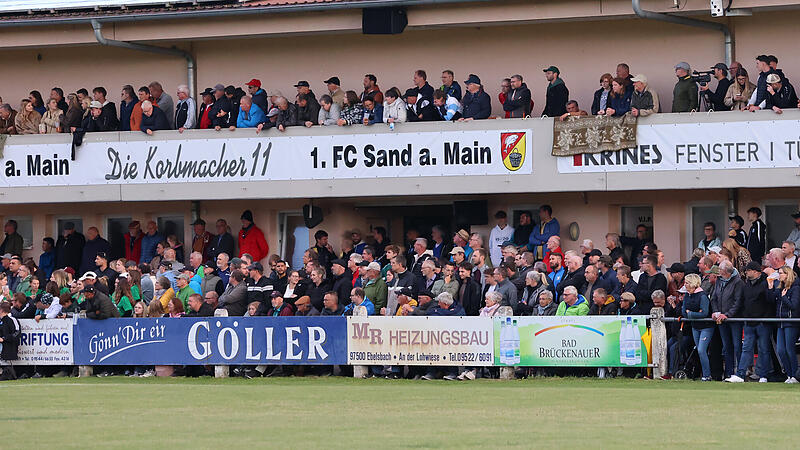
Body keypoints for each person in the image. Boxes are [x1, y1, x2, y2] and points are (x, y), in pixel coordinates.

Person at [725, 261, 771, 383]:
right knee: (746, 349)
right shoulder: (747, 285)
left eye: (748, 270)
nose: (746, 272)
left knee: (763, 349)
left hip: (762, 322)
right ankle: (740, 374)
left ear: (756, 272)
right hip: (749, 322)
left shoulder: (766, 284)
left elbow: (769, 301)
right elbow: (743, 302)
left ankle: (763, 375)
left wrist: (764, 318)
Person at [712, 261, 744, 379]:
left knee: (737, 345)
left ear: (726, 271)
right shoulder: (719, 280)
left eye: (720, 270)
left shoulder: (738, 282)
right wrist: (716, 312)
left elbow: (738, 301)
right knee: (726, 346)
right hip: (721, 319)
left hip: (734, 319)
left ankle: (740, 372)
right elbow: (714, 297)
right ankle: (729, 372)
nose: (718, 272)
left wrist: (728, 314)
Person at [768, 265, 799, 383]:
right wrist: (771, 287)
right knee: (780, 350)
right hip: (780, 322)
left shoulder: (795, 288)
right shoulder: (780, 287)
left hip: (790, 322)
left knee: (789, 349)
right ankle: (789, 374)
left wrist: (785, 297)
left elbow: (794, 306)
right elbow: (771, 300)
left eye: (781, 273)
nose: (779, 275)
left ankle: (794, 375)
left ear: (787, 274)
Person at [682, 273, 713, 381]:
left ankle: (707, 375)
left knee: (701, 350)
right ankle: (703, 373)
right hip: (695, 326)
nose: (685, 285)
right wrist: (693, 313)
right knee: (698, 350)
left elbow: (704, 313)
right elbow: (683, 311)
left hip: (706, 327)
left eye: (686, 282)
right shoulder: (687, 295)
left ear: (692, 283)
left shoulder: (702, 296)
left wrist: (690, 314)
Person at [0, 302, 20, 380]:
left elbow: (17, 333)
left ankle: (10, 374)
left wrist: (4, 339)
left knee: (5, 362)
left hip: (8, 345)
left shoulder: (12, 319)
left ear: (1, 310)